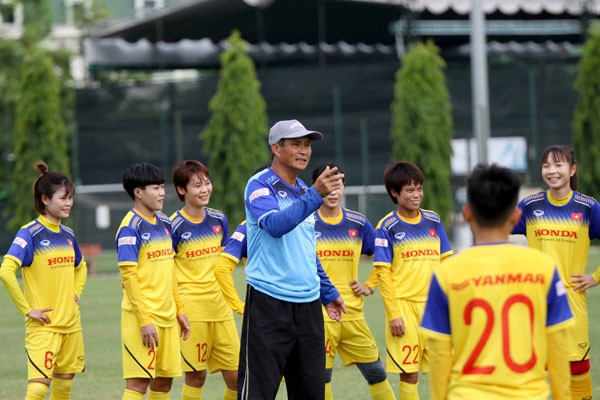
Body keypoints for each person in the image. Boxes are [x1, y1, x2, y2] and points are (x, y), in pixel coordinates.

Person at [421, 163, 573, 400]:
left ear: (467, 213)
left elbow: (439, 354)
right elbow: (558, 347)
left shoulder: (445, 273)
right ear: (516, 216)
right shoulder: (544, 268)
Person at [239, 119, 347, 399]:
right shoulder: (260, 185)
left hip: (309, 308)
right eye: (296, 144)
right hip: (268, 304)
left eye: (308, 145)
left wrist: (327, 291)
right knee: (258, 393)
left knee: (311, 393)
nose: (304, 151)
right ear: (276, 147)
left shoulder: (302, 190)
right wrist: (315, 196)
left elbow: (305, 249)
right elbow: (275, 225)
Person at [512, 144, 600, 400]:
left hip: (572, 303)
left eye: (558, 164)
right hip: (535, 302)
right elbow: (496, 226)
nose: (552, 171)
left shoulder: (588, 208)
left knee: (577, 368)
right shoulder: (529, 206)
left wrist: (594, 277)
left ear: (572, 169)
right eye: (546, 165)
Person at [0, 161, 87, 400]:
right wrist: (28, 310)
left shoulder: (68, 234)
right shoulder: (30, 233)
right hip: (44, 326)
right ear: (45, 200)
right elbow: (6, 271)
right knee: (39, 388)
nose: (69, 202)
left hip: (71, 325)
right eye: (63, 197)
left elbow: (81, 266)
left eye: (70, 197)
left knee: (63, 388)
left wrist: (76, 292)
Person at [310, 163, 396, 400]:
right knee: (321, 376)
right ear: (316, 188)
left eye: (338, 186)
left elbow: (384, 256)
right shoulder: (306, 223)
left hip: (353, 312)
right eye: (327, 186)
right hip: (319, 313)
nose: (333, 192)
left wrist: (369, 284)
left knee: (376, 372)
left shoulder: (358, 223)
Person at [372, 161, 453, 400]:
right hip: (404, 308)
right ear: (395, 193)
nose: (416, 195)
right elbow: (383, 273)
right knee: (409, 373)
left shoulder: (434, 220)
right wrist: (394, 313)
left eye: (419, 188)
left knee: (447, 368)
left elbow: (447, 263)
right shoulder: (387, 227)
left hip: (434, 307)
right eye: (409, 190)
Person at [115, 162, 190, 400]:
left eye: (162, 187)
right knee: (138, 383)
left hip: (168, 317)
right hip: (143, 318)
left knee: (163, 383)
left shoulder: (165, 223)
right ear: (138, 192)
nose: (162, 193)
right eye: (156, 188)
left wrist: (179, 310)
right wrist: (144, 320)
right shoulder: (130, 228)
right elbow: (129, 277)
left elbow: (171, 271)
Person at [170, 160, 238, 400]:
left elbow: (226, 263)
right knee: (196, 377)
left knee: (237, 380)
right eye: (197, 185)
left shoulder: (219, 219)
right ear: (181, 190)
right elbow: (168, 271)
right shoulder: (173, 226)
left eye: (207, 183)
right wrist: (179, 310)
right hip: (193, 311)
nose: (205, 189)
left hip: (221, 309)